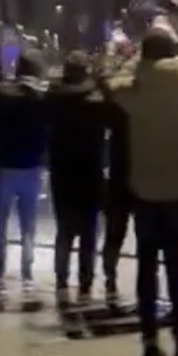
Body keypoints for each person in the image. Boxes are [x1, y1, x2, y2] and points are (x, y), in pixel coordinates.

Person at [106, 28, 178, 356]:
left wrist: (139, 56)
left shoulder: (133, 91)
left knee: (147, 269)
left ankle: (150, 343)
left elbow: (115, 78)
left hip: (144, 190)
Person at [47, 50, 110, 305]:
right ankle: (85, 285)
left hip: (62, 169)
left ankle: (61, 282)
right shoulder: (95, 99)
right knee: (88, 232)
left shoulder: (54, 96)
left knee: (64, 230)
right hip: (90, 169)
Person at [0, 50, 49, 295]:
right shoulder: (42, 97)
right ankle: (27, 276)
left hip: (3, 165)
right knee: (28, 225)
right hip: (31, 166)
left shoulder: (0, 94)